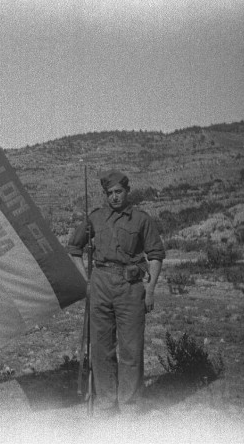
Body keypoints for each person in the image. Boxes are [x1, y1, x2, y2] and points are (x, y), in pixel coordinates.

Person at [67, 169, 165, 415]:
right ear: (105, 195)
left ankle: (129, 406)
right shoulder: (96, 218)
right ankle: (106, 404)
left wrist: (150, 290)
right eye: (109, 193)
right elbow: (74, 249)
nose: (114, 197)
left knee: (131, 349)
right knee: (101, 348)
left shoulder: (141, 219)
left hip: (130, 287)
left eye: (118, 192)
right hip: (100, 284)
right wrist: (86, 282)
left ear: (127, 191)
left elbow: (155, 256)